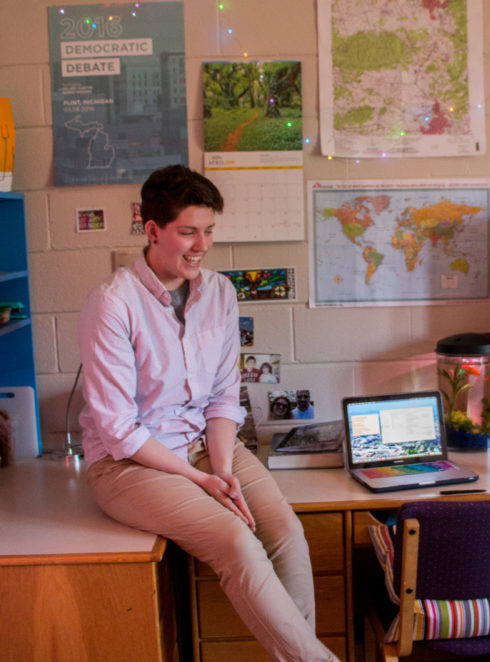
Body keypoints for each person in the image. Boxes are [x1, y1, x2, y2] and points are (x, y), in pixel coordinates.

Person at [78, 165, 336, 662]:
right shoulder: (112, 304)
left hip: (205, 443)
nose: (201, 245)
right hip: (129, 464)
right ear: (152, 230)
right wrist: (200, 483)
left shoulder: (219, 292)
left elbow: (222, 395)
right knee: (237, 543)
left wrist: (219, 468)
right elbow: (119, 430)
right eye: (188, 231)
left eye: (209, 231)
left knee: (285, 531)